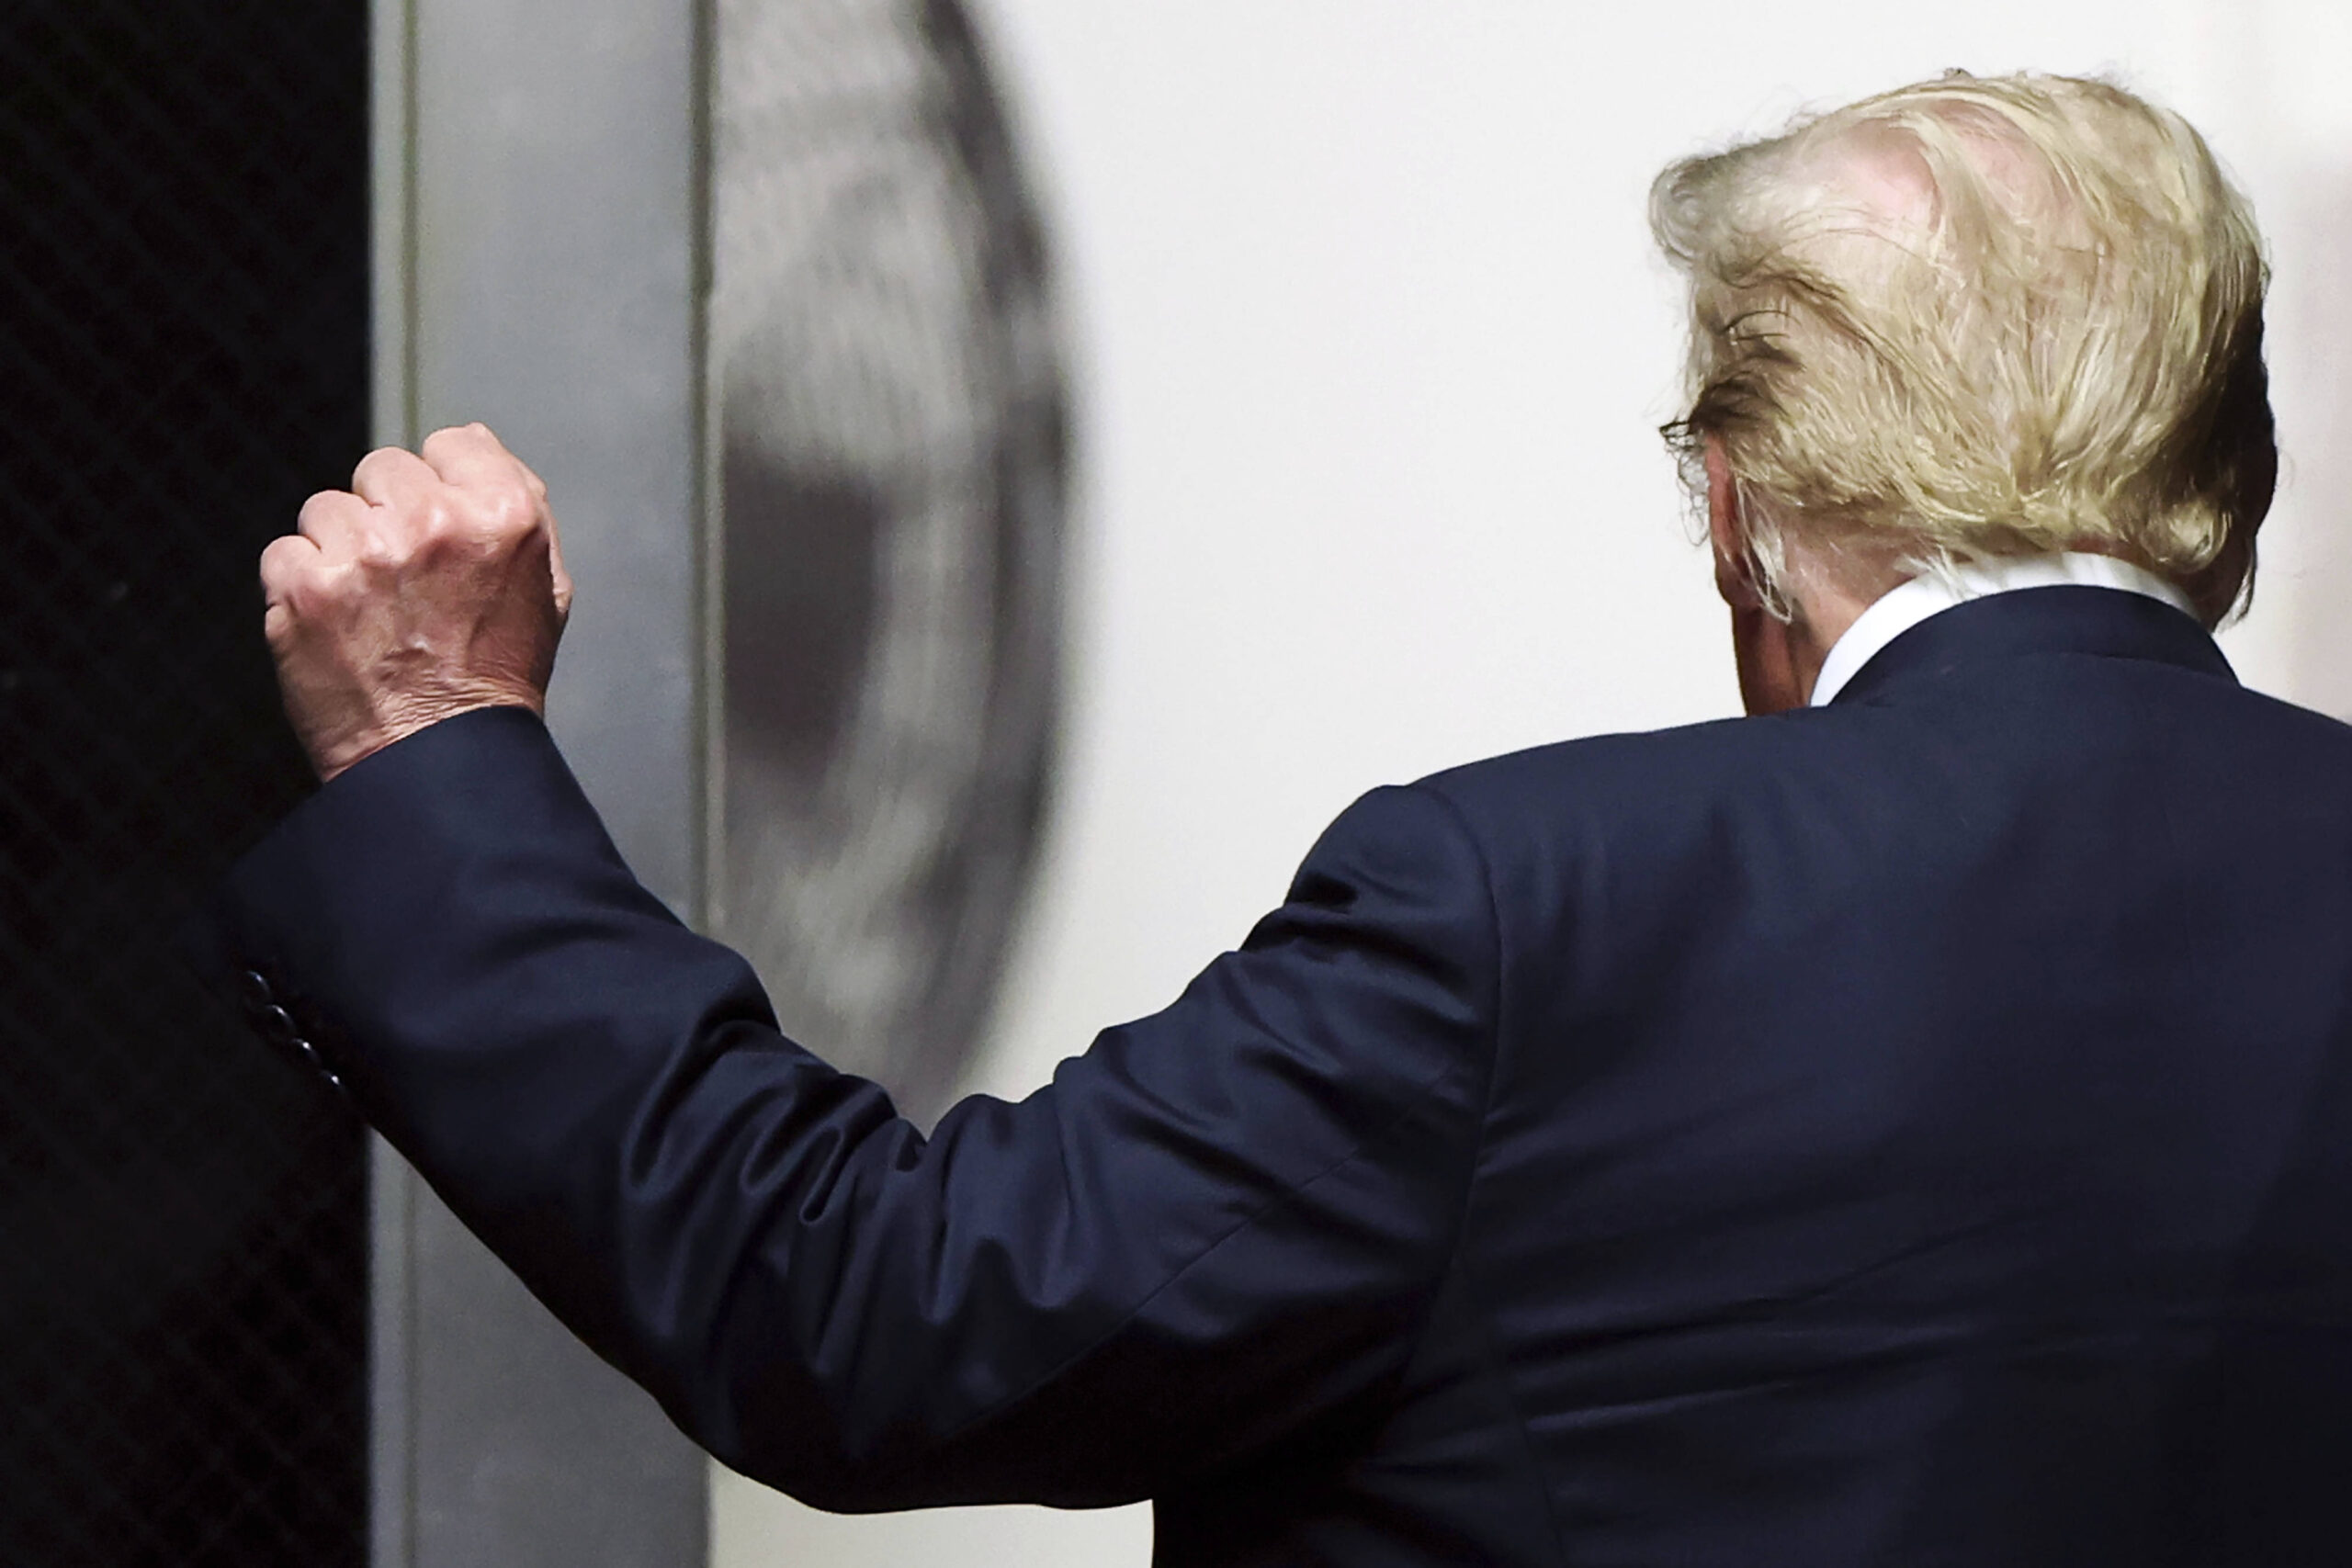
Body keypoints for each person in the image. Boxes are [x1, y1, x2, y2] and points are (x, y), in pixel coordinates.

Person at [194, 72, 2352, 1564]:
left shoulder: (1518, 908)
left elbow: (869, 1317)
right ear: (2216, 497)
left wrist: (437, 751)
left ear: (1739, 500)